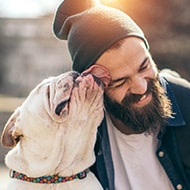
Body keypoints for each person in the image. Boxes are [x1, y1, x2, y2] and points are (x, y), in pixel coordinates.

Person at [53, 0, 190, 189]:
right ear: (94, 87)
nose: (140, 87)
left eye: (145, 66)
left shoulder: (187, 103)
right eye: (120, 82)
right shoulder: (80, 135)